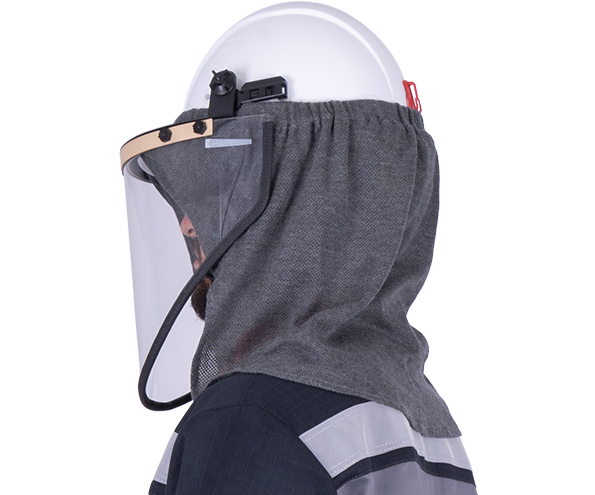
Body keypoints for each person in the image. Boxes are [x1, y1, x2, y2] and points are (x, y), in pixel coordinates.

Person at [121, 6, 478, 494]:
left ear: (303, 193)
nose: (187, 221)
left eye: (221, 188)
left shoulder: (250, 419)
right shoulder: (421, 424)